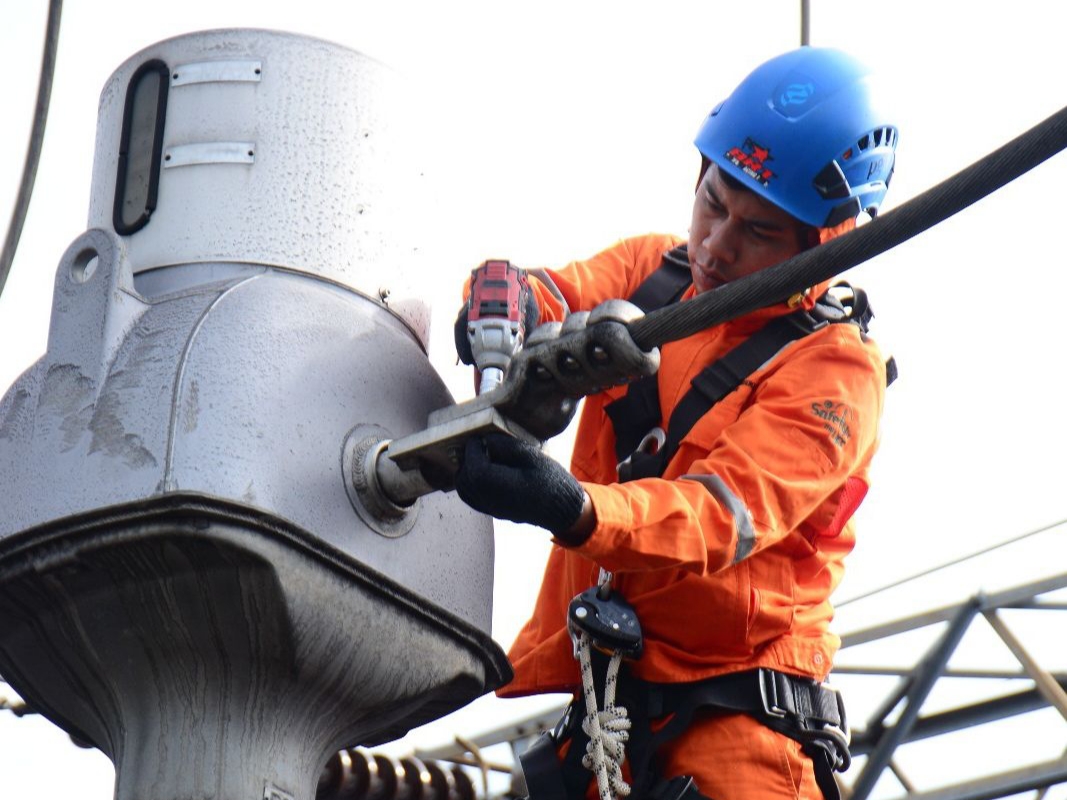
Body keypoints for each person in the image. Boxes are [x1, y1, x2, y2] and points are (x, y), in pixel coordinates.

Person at [453, 46, 897, 800]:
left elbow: (719, 513)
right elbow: (553, 295)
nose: (716, 247)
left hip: (742, 744)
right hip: (607, 726)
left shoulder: (835, 372)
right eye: (714, 204)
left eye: (758, 232)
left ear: (825, 243)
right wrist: (505, 299)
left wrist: (574, 508)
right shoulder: (651, 277)